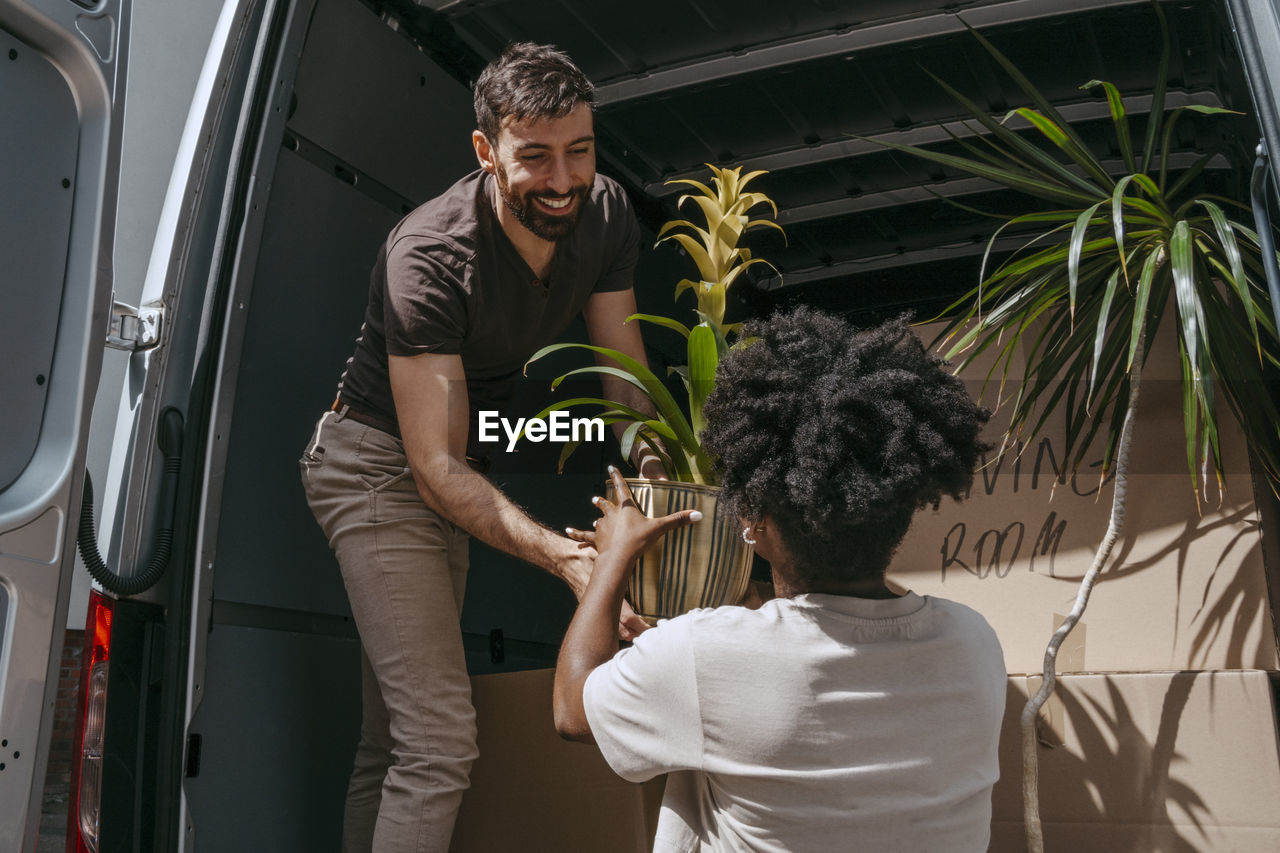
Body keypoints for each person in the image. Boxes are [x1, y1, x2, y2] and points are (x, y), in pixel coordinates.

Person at [300, 42, 665, 853]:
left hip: (450, 470)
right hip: (375, 468)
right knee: (438, 741)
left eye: (580, 150)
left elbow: (624, 377)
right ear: (486, 151)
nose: (564, 180)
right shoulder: (428, 256)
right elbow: (431, 467)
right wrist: (573, 562)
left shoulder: (604, 212)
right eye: (535, 158)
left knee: (394, 739)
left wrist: (656, 480)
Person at [554, 308, 1007, 852]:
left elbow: (573, 712)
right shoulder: (973, 640)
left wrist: (613, 558)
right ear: (902, 505)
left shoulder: (706, 654)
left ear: (754, 520)